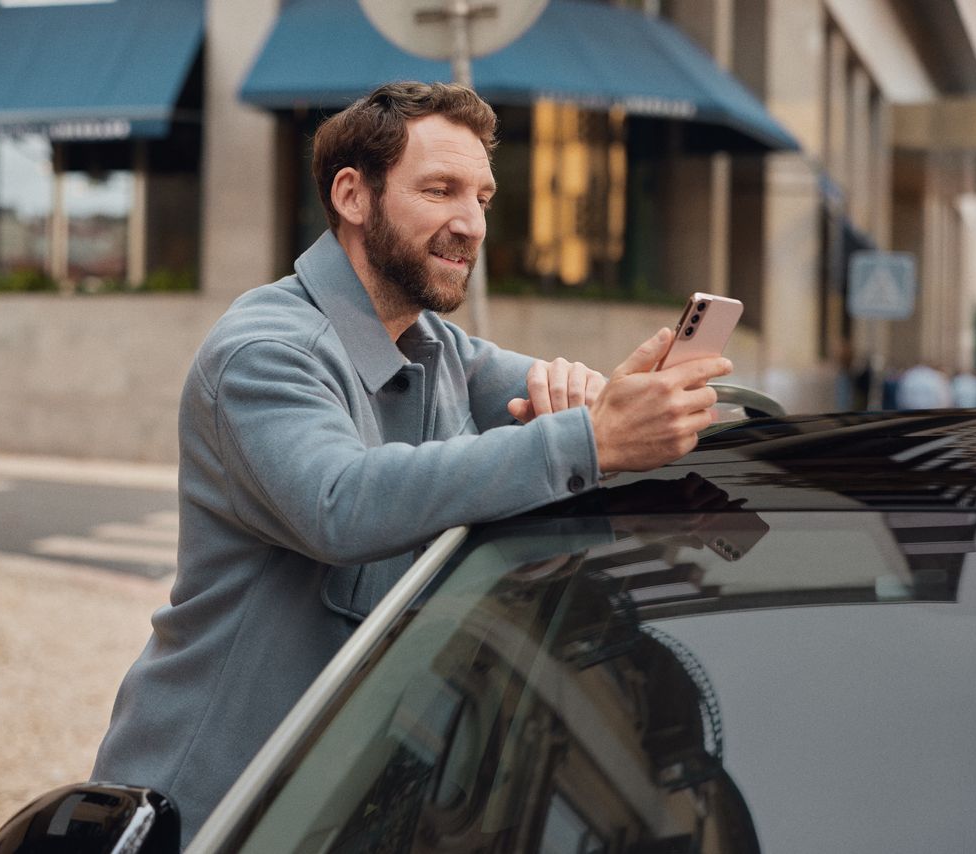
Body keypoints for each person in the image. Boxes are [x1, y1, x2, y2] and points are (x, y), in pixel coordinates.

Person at [90, 81, 732, 846]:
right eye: (440, 190)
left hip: (340, 803)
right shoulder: (263, 353)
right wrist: (590, 440)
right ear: (354, 196)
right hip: (211, 804)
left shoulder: (437, 348)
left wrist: (614, 406)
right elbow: (340, 503)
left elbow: (573, 424)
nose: (471, 223)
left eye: (483, 197)